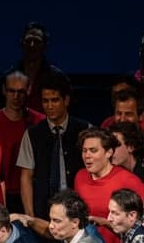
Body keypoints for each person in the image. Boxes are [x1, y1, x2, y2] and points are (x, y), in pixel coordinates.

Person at [73, 129, 144, 243]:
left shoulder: (125, 179)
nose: (87, 156)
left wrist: (112, 224)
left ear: (109, 152)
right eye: (84, 150)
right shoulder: (80, 177)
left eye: (93, 150)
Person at [18, 70, 91, 221]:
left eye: (55, 100)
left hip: (78, 210)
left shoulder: (85, 131)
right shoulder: (32, 134)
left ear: (66, 100)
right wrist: (30, 216)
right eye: (45, 101)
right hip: (44, 212)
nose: (49, 106)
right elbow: (26, 177)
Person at [0, 70, 46, 214]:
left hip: (33, 193)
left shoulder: (40, 122)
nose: (16, 97)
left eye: (21, 92)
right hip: (0, 193)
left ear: (29, 90)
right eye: (11, 91)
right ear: (4, 90)